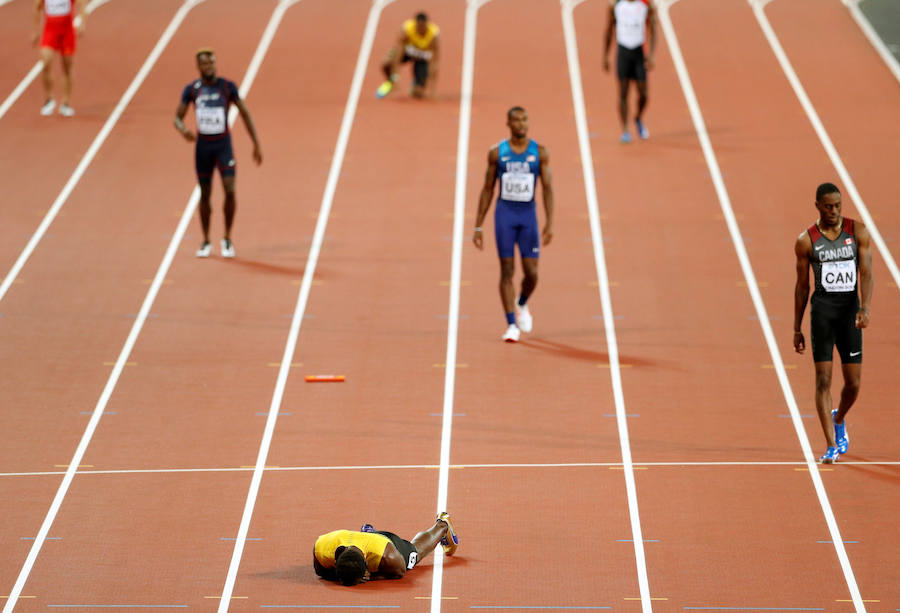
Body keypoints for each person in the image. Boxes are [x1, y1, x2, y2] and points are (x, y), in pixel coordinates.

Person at [793, 182, 873, 464]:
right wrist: (796, 327)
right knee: (823, 380)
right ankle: (829, 445)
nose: (834, 211)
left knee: (853, 384)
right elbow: (802, 287)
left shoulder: (857, 232)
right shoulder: (807, 240)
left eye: (838, 206)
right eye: (828, 206)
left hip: (849, 315)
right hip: (823, 316)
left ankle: (839, 417)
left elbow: (866, 271)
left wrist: (864, 307)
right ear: (817, 206)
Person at [473, 107, 554, 343]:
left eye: (524, 119)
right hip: (505, 216)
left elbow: (548, 189)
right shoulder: (498, 153)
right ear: (508, 123)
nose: (521, 123)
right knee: (507, 270)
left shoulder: (539, 152)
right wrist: (478, 225)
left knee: (532, 273)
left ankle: (522, 302)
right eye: (516, 120)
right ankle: (511, 324)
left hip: (527, 217)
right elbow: (487, 189)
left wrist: (550, 222)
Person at [174, 49, 262, 258]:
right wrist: (183, 129)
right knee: (205, 194)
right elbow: (177, 117)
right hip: (203, 148)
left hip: (223, 146)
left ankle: (227, 238)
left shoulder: (226, 87)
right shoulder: (193, 90)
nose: (209, 67)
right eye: (204, 64)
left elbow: (245, 113)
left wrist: (256, 143)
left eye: (212, 63)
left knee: (230, 190)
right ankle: (205, 241)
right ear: (198, 67)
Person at [313, 512, 459, 586]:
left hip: (386, 541)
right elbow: (320, 572)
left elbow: (400, 571)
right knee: (368, 538)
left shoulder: (388, 555)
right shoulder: (321, 548)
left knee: (415, 553)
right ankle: (368, 533)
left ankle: (442, 525)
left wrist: (372, 577)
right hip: (363, 539)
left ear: (367, 567)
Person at [602, 0, 657, 143]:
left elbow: (653, 28)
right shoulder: (616, 5)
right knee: (623, 92)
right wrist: (605, 56)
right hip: (623, 53)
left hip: (639, 53)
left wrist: (651, 54)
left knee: (643, 93)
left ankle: (638, 117)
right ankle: (625, 129)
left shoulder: (646, 5)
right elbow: (609, 30)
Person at [33, 0, 86, 116]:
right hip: (50, 31)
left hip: (67, 32)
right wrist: (35, 30)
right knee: (46, 62)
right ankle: (49, 99)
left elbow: (81, 3)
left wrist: (82, 22)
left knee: (67, 66)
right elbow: (37, 7)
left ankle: (65, 103)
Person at [375, 12, 440, 99]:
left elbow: (434, 62)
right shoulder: (407, 30)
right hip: (407, 53)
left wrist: (432, 90)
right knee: (386, 63)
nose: (420, 29)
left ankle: (416, 83)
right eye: (418, 27)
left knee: (417, 94)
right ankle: (390, 83)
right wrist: (395, 77)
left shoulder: (433, 35)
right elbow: (398, 55)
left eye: (422, 27)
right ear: (415, 24)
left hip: (421, 59)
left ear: (426, 25)